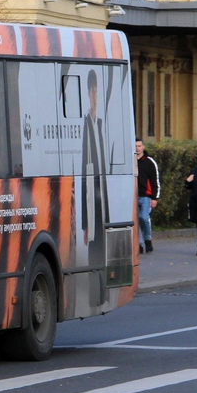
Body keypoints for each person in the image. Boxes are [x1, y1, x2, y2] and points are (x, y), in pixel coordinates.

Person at [80, 70, 109, 305]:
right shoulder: (84, 124)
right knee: (92, 247)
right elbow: (82, 171)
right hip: (90, 193)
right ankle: (93, 297)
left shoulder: (100, 124)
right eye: (91, 90)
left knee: (104, 247)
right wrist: (84, 223)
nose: (94, 95)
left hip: (103, 194)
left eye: (96, 90)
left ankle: (103, 294)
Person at [135, 138, 160, 254]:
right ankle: (139, 244)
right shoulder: (130, 161)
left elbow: (155, 180)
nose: (137, 148)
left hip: (146, 196)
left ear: (143, 147)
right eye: (135, 146)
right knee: (136, 220)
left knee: (144, 218)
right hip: (133, 196)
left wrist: (155, 197)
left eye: (139, 146)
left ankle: (147, 239)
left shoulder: (149, 162)